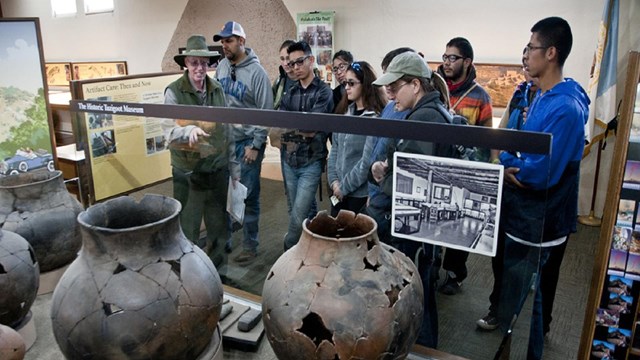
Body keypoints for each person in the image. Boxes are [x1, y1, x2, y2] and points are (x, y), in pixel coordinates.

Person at [490, 17, 589, 360]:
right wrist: (509, 160)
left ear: (550, 53)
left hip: (540, 220)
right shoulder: (542, 96)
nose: (526, 54)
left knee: (527, 304)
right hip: (525, 217)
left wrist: (505, 161)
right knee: (516, 299)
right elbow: (519, 152)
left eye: (531, 47)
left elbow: (537, 173)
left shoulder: (564, 107)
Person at [370, 51, 454, 349]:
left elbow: (415, 186)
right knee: (422, 291)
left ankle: (421, 351)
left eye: (395, 87)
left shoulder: (425, 119)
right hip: (424, 228)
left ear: (416, 85)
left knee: (417, 296)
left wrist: (383, 177)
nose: (390, 95)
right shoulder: (431, 113)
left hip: (415, 227)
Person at [477, 61, 540, 332]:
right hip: (507, 185)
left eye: (531, 57)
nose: (526, 65)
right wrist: (499, 165)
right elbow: (499, 136)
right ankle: (498, 309)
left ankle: (525, 317)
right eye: (523, 60)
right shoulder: (519, 95)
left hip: (532, 194)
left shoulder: (556, 103)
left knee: (524, 260)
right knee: (499, 253)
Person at [163, 35, 239, 255]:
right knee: (188, 229)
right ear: (186, 64)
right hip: (188, 173)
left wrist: (234, 170)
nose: (199, 68)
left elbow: (228, 131)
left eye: (204, 63)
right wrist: (188, 131)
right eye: (194, 62)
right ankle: (189, 280)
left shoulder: (217, 89)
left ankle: (218, 278)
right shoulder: (174, 92)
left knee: (218, 229)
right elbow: (167, 132)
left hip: (216, 170)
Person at [435, 37, 494, 296]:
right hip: (437, 166)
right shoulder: (435, 90)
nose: (447, 62)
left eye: (453, 58)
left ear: (467, 62)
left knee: (459, 228)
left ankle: (455, 274)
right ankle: (434, 264)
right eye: (445, 57)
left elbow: (486, 138)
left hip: (464, 171)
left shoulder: (480, 97)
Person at [213, 21, 274, 263]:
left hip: (248, 143)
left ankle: (250, 245)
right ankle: (225, 240)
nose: (224, 46)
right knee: (226, 195)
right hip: (226, 142)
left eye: (229, 40)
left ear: (242, 41)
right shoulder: (221, 68)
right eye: (222, 41)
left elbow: (266, 111)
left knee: (248, 196)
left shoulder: (257, 73)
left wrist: (256, 144)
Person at [278, 40, 333, 251]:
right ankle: (311, 249)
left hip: (311, 161)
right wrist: (298, 127)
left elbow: (312, 127)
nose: (295, 67)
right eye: (291, 64)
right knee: (297, 210)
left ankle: (289, 247)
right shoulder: (290, 91)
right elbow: (280, 124)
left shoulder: (323, 92)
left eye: (299, 62)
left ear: (311, 60)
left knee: (299, 213)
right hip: (289, 159)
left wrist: (294, 127)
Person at [365, 47, 415, 245]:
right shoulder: (389, 107)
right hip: (378, 195)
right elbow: (377, 150)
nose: (388, 86)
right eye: (385, 77)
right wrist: (372, 193)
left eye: (393, 81)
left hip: (393, 202)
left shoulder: (412, 113)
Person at [328, 61, 386, 216]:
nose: (346, 87)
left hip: (359, 194)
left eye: (352, 83)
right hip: (338, 190)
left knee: (353, 237)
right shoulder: (344, 112)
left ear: (365, 85)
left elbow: (366, 162)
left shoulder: (374, 118)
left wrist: (344, 188)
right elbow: (335, 150)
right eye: (345, 83)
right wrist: (334, 182)